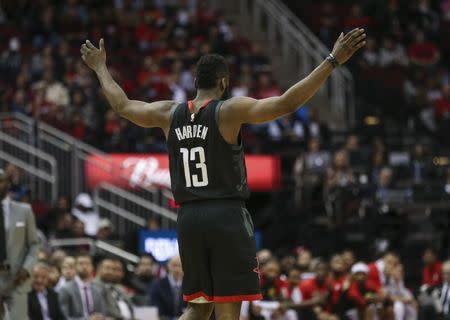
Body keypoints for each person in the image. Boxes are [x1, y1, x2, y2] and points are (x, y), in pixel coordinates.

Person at [80, 26, 366, 320]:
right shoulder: (228, 111)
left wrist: (100, 67)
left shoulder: (168, 112)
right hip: (226, 216)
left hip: (189, 219)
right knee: (229, 310)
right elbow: (287, 103)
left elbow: (122, 105)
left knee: (199, 309)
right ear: (224, 83)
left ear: (194, 82)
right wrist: (332, 60)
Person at [0, 168, 40, 320]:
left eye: (0, 181)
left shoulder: (24, 210)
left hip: (17, 277)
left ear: (8, 184)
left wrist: (26, 268)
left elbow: (34, 244)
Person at [58, 254, 105, 319]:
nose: (84, 267)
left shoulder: (97, 289)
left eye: (87, 264)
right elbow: (63, 317)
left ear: (92, 267)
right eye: (81, 264)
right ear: (75, 267)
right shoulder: (65, 289)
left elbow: (102, 313)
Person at [149, 256, 185, 320]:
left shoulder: (189, 286)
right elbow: (156, 310)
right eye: (174, 265)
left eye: (180, 266)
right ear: (168, 265)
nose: (177, 269)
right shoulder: (157, 285)